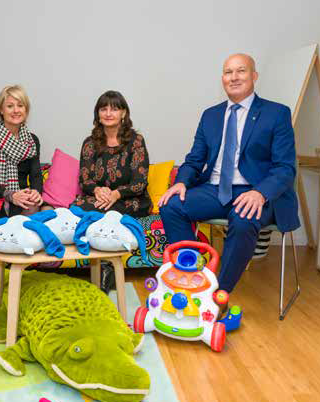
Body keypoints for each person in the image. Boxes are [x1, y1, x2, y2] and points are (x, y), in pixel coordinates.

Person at [158, 53, 300, 309]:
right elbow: (194, 159)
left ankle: (215, 293)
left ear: (254, 76)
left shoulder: (276, 113)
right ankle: (195, 273)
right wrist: (181, 182)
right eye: (228, 72)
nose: (234, 77)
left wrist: (261, 193)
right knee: (171, 205)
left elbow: (285, 168)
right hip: (214, 189)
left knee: (244, 219)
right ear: (222, 78)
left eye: (241, 71)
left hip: (255, 190)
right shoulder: (210, 115)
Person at [73, 90, 152, 293]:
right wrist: (98, 189)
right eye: (104, 108)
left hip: (130, 199)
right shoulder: (90, 143)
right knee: (77, 207)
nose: (109, 113)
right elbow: (85, 179)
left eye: (114, 109)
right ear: (98, 114)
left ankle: (107, 268)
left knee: (105, 210)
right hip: (100, 199)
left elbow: (139, 182)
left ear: (123, 113)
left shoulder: (136, 141)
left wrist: (115, 194)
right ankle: (103, 267)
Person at [0, 85, 49, 230]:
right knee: (19, 225)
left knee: (43, 210)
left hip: (20, 196)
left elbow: (36, 176)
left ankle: (24, 244)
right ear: (1, 110)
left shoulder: (32, 140)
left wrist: (35, 192)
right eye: (10, 106)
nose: (16, 110)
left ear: (26, 110)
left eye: (20, 105)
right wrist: (11, 195)